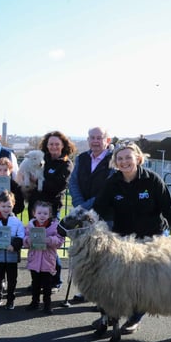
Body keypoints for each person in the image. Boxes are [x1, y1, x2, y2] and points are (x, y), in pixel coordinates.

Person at [93, 141, 171, 333]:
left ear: (138, 158)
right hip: (124, 240)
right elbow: (97, 210)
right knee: (119, 282)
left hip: (151, 240)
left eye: (128, 157)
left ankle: (134, 318)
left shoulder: (152, 181)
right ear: (115, 162)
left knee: (145, 284)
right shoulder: (112, 183)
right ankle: (110, 317)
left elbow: (169, 209)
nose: (124, 162)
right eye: (119, 159)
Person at [25, 130, 75, 289]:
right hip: (35, 207)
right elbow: (28, 174)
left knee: (51, 244)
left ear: (63, 146)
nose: (53, 146)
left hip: (51, 209)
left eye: (57, 144)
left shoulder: (66, 164)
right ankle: (37, 282)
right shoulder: (41, 157)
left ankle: (55, 280)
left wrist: (39, 182)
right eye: (51, 144)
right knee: (37, 243)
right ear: (46, 145)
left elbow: (58, 186)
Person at [68, 126, 113, 302]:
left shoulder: (113, 159)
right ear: (88, 140)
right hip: (84, 217)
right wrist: (80, 206)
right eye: (92, 137)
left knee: (105, 258)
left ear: (107, 140)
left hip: (106, 215)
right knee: (87, 256)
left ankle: (104, 297)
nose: (95, 141)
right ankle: (88, 292)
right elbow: (73, 183)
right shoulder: (81, 158)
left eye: (99, 138)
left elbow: (106, 190)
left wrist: (84, 208)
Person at [23, 201, 64, 314]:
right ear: (34, 213)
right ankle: (34, 302)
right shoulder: (30, 226)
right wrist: (28, 240)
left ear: (49, 215)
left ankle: (47, 304)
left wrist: (49, 240)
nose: (42, 215)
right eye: (39, 213)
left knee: (47, 285)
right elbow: (24, 238)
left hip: (48, 260)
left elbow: (60, 240)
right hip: (34, 260)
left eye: (45, 213)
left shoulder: (54, 226)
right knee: (35, 283)